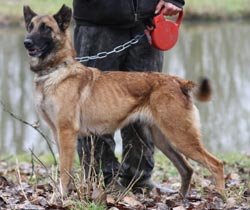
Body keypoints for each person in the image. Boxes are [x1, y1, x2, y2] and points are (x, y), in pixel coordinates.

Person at [73, 0, 185, 192]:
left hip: (147, 22)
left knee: (147, 106)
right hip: (98, 23)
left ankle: (139, 179)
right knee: (93, 109)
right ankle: (102, 180)